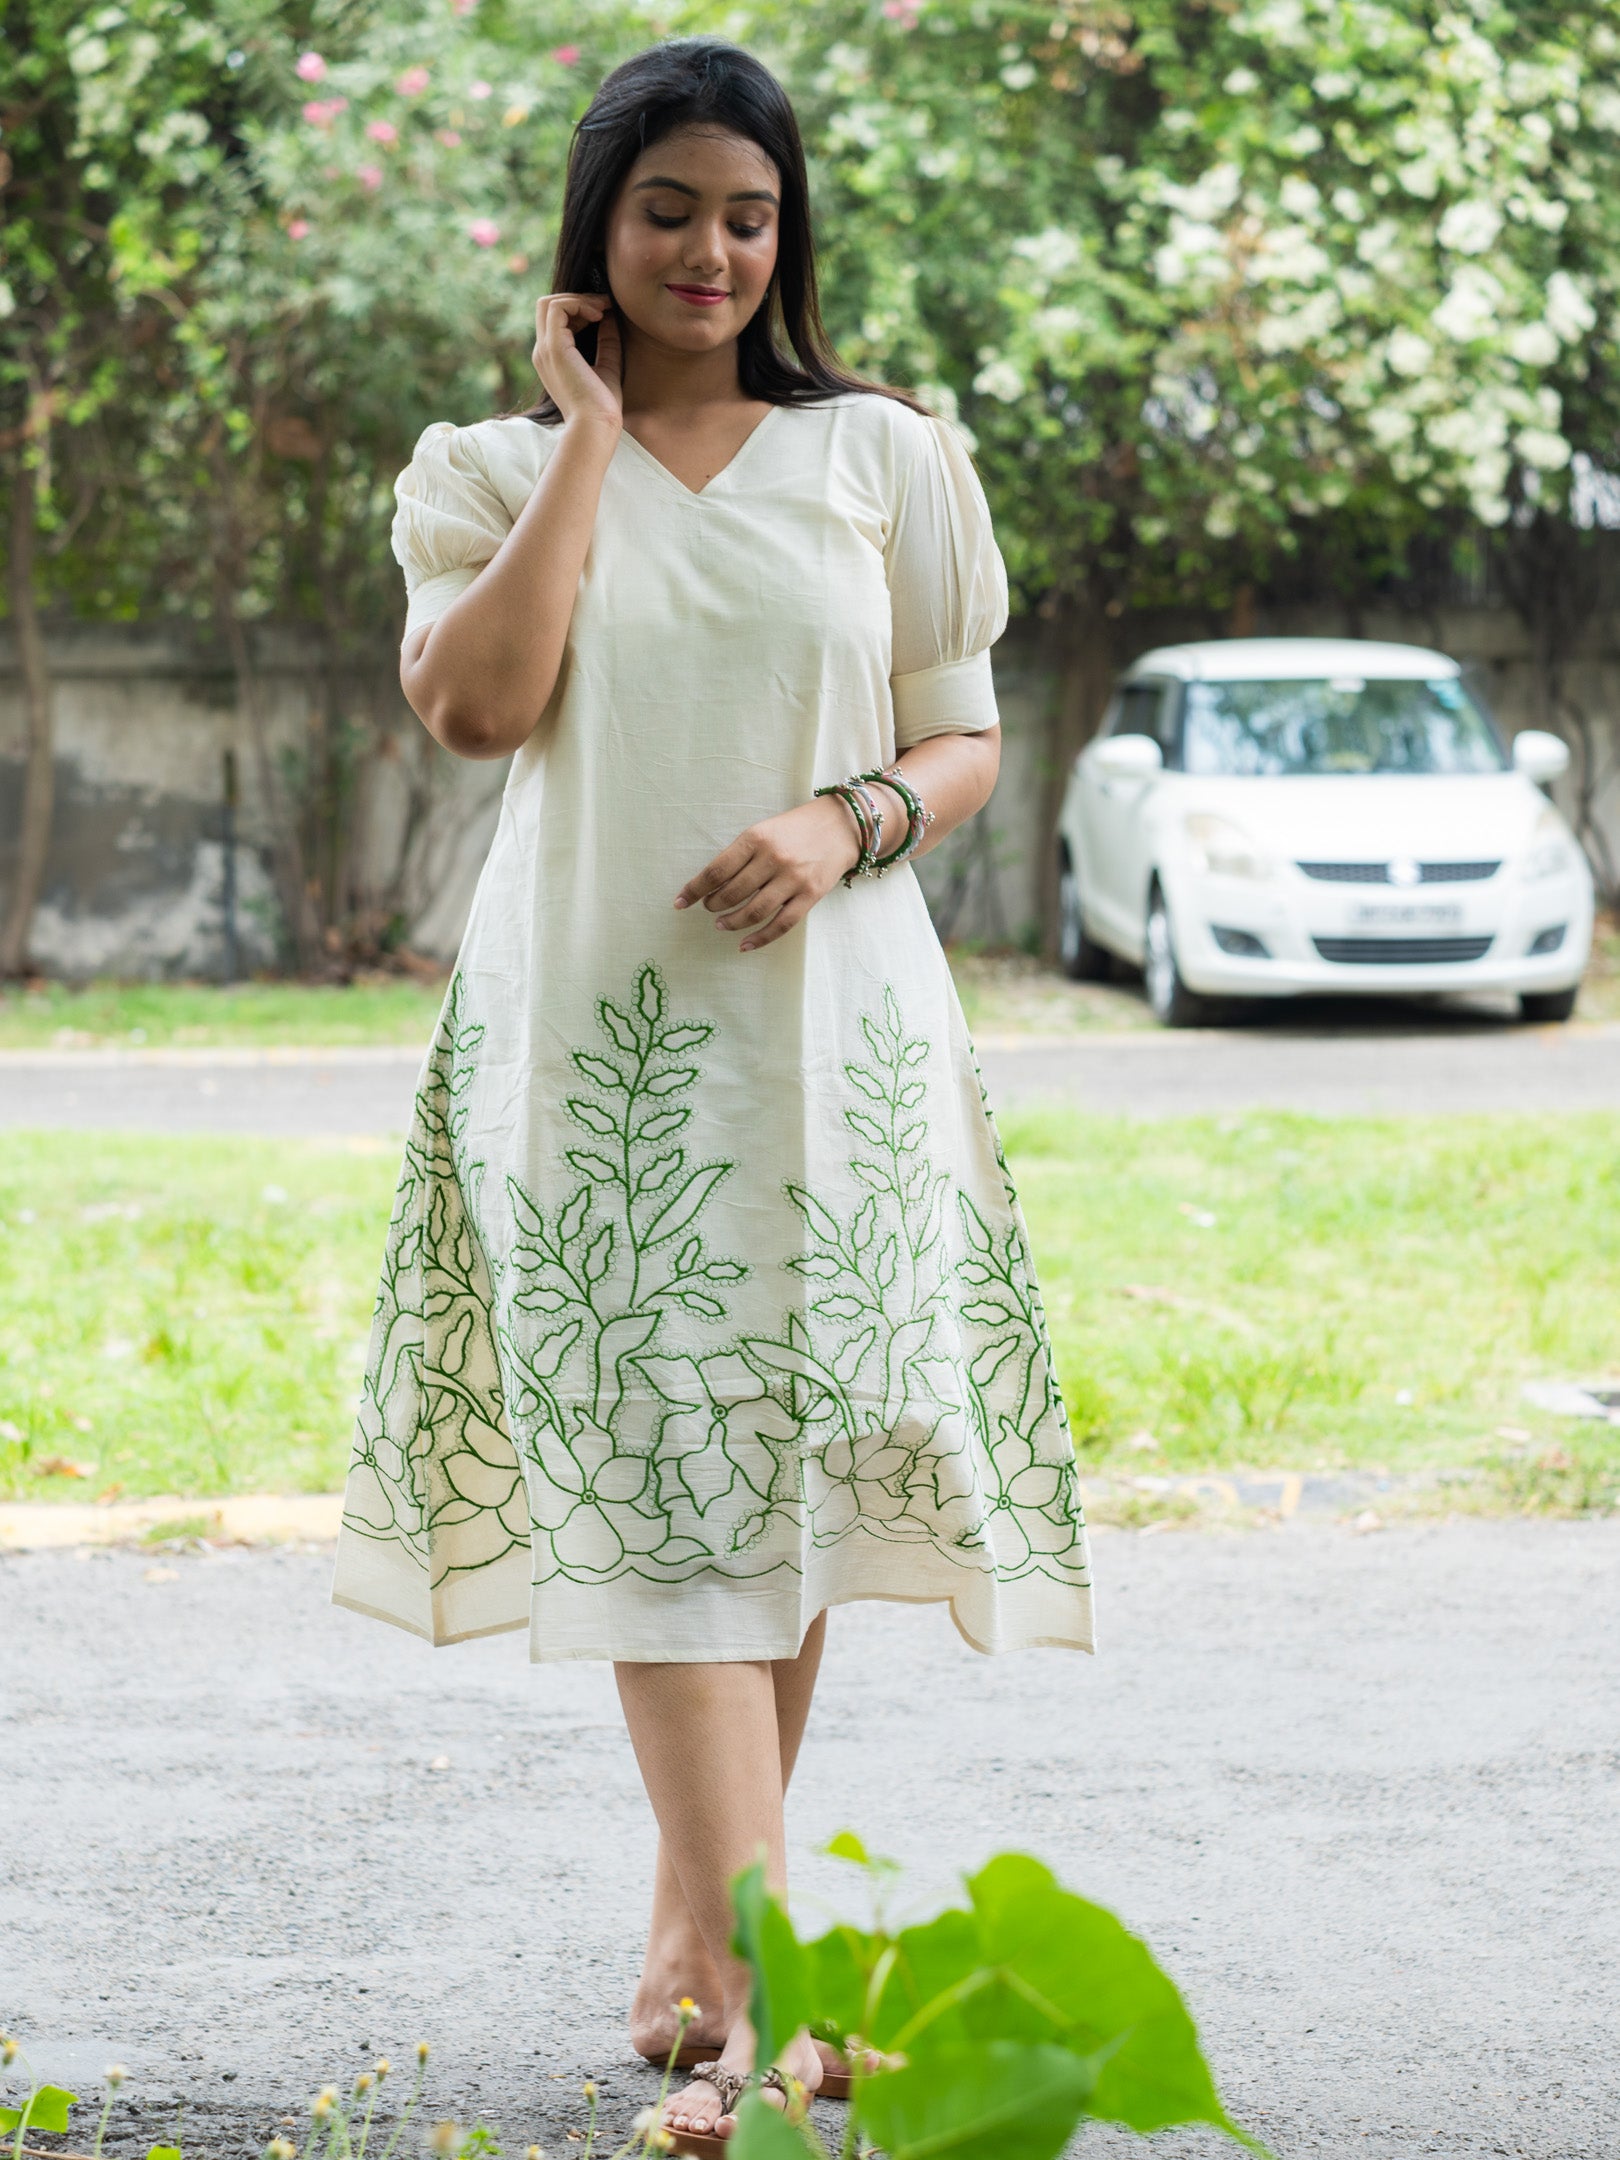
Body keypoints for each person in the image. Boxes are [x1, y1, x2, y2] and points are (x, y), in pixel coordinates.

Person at [330, 36, 1094, 2154]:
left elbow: (963, 739)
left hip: (840, 1031)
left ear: (789, 239)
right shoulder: (480, 467)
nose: (712, 251)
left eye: (748, 218)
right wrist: (584, 438)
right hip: (586, 1037)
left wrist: (845, 822)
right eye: (670, 209)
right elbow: (481, 707)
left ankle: (689, 1932)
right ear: (600, 227)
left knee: (781, 1480)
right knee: (658, 1467)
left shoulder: (886, 458)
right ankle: (774, 2000)